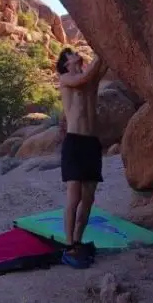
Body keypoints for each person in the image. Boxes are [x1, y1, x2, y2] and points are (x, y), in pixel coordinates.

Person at [55, 47, 108, 268]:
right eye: (71, 54)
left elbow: (103, 65)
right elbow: (87, 75)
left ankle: (78, 240)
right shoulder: (67, 78)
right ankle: (68, 246)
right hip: (74, 142)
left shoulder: (90, 82)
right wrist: (101, 52)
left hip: (91, 143)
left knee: (88, 199)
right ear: (66, 63)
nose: (76, 54)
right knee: (74, 197)